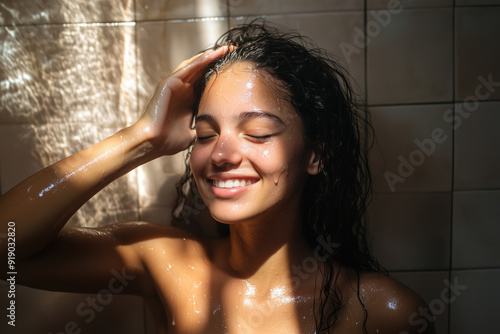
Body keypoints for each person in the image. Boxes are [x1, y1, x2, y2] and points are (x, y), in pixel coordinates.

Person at [0, 21, 434, 333]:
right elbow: (8, 247)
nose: (221, 154)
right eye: (206, 135)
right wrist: (140, 139)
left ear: (315, 155)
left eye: (258, 133)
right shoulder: (167, 265)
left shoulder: (383, 311)